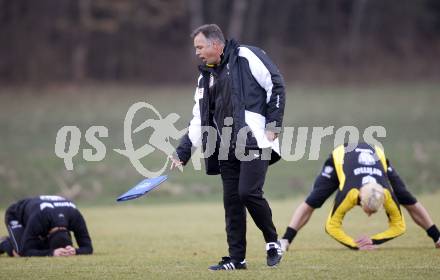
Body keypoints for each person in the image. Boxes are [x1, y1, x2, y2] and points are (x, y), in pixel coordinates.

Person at [170, 24, 286, 270]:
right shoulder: (205, 78)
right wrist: (182, 152)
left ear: (216, 45)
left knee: (248, 193)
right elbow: (198, 119)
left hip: (254, 140)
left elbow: (275, 84)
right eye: (195, 48)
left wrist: (274, 123)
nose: (197, 53)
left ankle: (273, 242)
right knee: (232, 203)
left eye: (200, 47)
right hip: (224, 148)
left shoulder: (247, 55)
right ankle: (237, 259)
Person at [279, 142, 440, 251]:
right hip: (341, 157)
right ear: (359, 199)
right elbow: (331, 226)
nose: (369, 215)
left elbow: (399, 226)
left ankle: (437, 237)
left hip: (375, 154)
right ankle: (285, 240)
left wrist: (374, 240)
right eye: (368, 210)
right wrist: (355, 245)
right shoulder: (349, 193)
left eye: (373, 211)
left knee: (406, 198)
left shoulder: (386, 193)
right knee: (314, 200)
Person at [0, 195, 93, 257]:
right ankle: (4, 242)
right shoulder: (39, 218)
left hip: (37, 214)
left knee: (35, 246)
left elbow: (88, 248)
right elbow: (25, 251)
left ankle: (19, 238)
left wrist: (75, 251)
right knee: (19, 252)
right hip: (16, 214)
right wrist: (51, 252)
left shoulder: (75, 217)